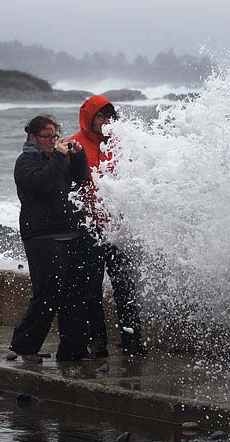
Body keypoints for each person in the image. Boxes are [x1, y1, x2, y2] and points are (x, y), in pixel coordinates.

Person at [9, 114, 93, 362]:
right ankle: (24, 346)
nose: (52, 141)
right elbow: (42, 184)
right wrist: (58, 155)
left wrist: (78, 156)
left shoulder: (58, 160)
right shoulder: (25, 162)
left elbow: (80, 181)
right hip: (41, 236)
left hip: (70, 231)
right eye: (47, 136)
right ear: (32, 137)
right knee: (48, 293)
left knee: (76, 292)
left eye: (55, 136)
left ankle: (73, 350)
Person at [70, 95, 146, 357]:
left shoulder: (118, 145)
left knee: (125, 285)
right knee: (90, 287)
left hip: (117, 228)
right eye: (101, 116)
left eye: (109, 116)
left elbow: (133, 179)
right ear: (89, 118)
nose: (105, 121)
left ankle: (132, 341)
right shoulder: (74, 145)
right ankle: (96, 341)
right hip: (89, 228)